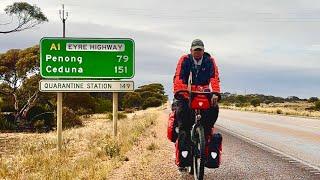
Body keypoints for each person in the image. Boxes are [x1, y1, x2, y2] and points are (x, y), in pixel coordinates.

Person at [172, 39, 221, 168]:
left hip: (204, 92)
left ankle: (205, 136)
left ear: (203, 51)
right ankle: (184, 152)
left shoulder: (209, 61)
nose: (198, 52)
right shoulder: (185, 60)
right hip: (187, 91)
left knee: (213, 109)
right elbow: (179, 77)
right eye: (195, 50)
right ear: (191, 51)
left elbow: (214, 78)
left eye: (200, 50)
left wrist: (215, 93)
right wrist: (181, 92)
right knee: (183, 116)